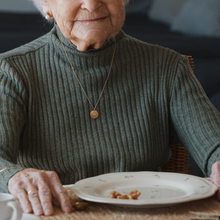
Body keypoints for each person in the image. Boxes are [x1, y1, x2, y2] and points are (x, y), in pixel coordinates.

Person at [0, 0, 220, 216]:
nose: (92, 4)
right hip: (55, 211)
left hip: (147, 212)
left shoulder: (168, 67)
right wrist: (14, 176)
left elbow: (213, 143)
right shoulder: (12, 71)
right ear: (47, 5)